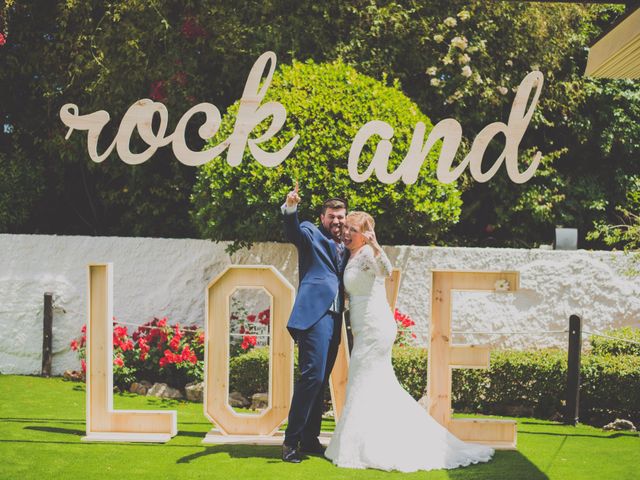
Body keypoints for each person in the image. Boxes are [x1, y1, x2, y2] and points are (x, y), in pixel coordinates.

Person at [324, 211, 494, 472]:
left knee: (363, 380)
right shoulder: (351, 255)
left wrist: (375, 245)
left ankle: (369, 446)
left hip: (375, 326)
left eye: (352, 230)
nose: (346, 233)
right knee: (372, 383)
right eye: (345, 228)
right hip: (362, 327)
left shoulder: (369, 254)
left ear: (364, 234)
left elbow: (387, 271)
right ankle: (372, 440)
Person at [280, 182, 349, 463]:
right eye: (331, 216)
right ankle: (290, 442)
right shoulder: (310, 232)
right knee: (312, 377)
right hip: (314, 316)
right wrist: (291, 207)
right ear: (323, 218)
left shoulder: (347, 243)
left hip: (335, 320)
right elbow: (292, 231)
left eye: (340, 217)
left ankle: (310, 438)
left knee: (320, 382)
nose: (336, 221)